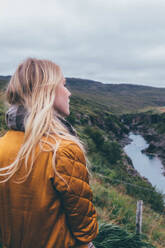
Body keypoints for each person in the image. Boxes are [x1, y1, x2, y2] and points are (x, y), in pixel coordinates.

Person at [0, 58, 98, 248]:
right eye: (64, 84)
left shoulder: (2, 145)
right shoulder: (62, 150)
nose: (69, 93)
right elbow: (86, 230)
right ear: (48, 90)